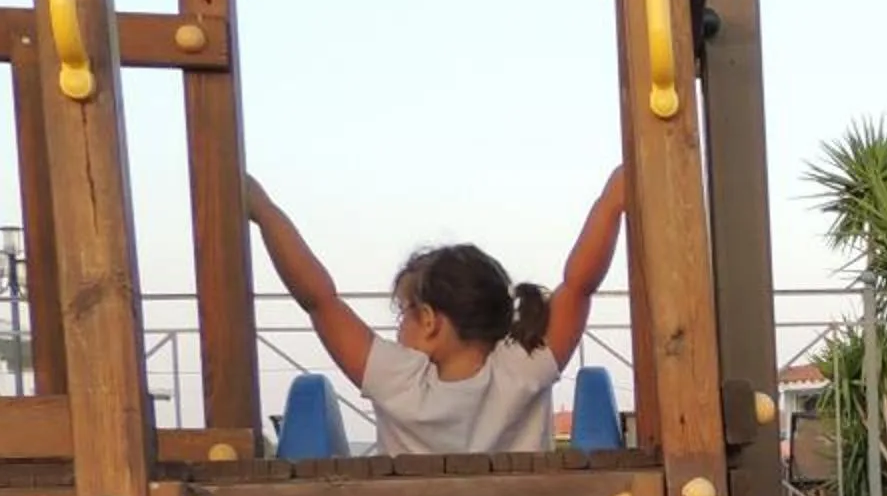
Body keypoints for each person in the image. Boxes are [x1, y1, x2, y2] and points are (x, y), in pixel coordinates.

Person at [245, 168, 625, 456]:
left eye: (402, 316)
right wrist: (613, 200)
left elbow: (318, 299)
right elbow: (579, 283)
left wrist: (262, 210)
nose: (398, 332)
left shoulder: (399, 381)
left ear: (428, 320)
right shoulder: (523, 369)